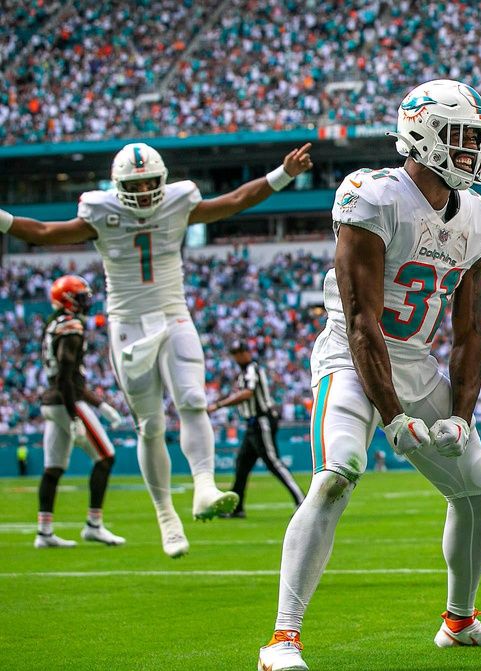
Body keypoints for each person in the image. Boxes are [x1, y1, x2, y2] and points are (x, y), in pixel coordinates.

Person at [258, 79, 481, 671]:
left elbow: (470, 330)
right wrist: (393, 415)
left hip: (418, 365)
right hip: (351, 360)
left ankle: (459, 622)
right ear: (421, 134)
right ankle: (282, 639)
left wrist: (459, 416)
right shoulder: (372, 196)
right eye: (460, 138)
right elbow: (361, 321)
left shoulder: (478, 218)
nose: (472, 151)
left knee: (477, 491)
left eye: (476, 139)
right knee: (337, 474)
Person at [0, 141, 313, 558]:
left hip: (172, 312)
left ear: (162, 179)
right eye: (137, 184)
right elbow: (41, 232)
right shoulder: (100, 212)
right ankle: (166, 515)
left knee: (193, 399)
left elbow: (235, 200)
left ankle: (204, 485)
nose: (145, 191)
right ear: (119, 186)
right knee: (150, 425)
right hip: (128, 324)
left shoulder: (179, 201)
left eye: (150, 182)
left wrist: (284, 174)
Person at [35, 275, 125, 548]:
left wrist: (101, 405)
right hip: (65, 402)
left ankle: (44, 532)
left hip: (51, 401)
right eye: (81, 296)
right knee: (106, 457)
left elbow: (68, 377)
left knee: (53, 469)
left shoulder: (55, 324)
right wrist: (75, 415)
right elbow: (66, 377)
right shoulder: (71, 326)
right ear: (68, 300)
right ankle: (94, 525)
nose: (86, 301)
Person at [208, 340, 304, 518]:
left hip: (262, 422)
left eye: (241, 352)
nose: (239, 356)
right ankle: (237, 508)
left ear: (247, 353)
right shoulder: (244, 372)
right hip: (252, 424)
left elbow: (247, 393)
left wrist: (219, 405)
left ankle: (302, 501)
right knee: (242, 464)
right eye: (235, 353)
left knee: (273, 462)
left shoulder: (252, 369)